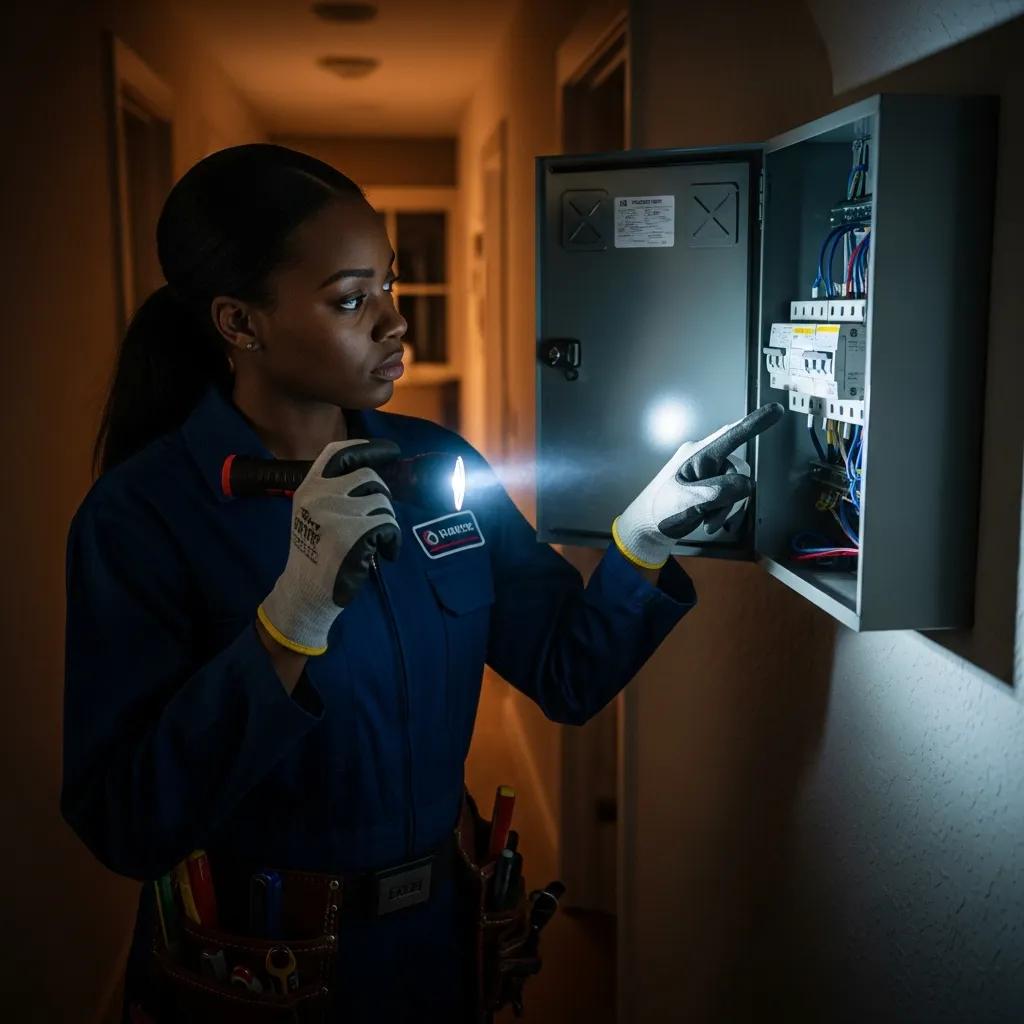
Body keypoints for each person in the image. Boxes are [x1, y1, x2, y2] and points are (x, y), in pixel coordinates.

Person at [60, 144, 778, 1023]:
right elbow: (127, 824)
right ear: (240, 324)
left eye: (390, 285)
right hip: (254, 971)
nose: (394, 322)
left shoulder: (439, 468)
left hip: (440, 948)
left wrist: (638, 543)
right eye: (351, 300)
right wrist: (293, 616)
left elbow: (568, 672)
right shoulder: (141, 516)